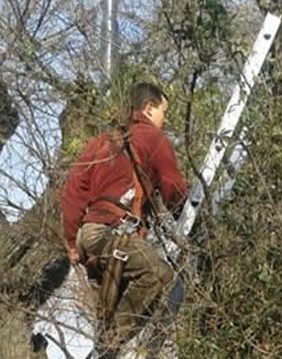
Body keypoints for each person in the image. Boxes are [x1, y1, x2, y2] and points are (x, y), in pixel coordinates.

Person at [60, 82, 188, 358]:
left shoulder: (100, 141)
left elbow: (72, 191)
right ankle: (107, 347)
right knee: (159, 275)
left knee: (109, 315)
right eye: (163, 112)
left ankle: (107, 347)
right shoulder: (151, 138)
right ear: (149, 107)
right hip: (114, 236)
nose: (164, 120)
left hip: (90, 239)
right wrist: (185, 215)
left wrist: (72, 242)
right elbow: (173, 187)